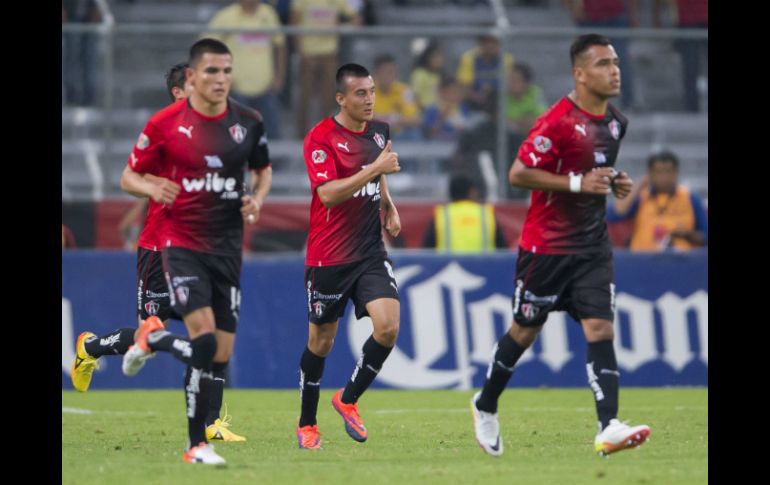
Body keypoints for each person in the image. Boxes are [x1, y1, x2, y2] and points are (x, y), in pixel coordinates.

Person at [470, 34, 650, 458]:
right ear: (580, 73)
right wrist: (577, 183)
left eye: (616, 62)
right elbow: (518, 173)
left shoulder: (615, 123)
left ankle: (609, 426)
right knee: (524, 331)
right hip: (546, 248)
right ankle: (485, 404)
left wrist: (612, 181)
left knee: (601, 328)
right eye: (604, 63)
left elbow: (593, 170)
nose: (614, 70)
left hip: (591, 247)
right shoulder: (556, 122)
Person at [70, 62, 247, 444]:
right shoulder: (163, 131)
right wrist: (155, 187)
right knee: (148, 337)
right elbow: (128, 178)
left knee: (212, 333)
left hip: (200, 249)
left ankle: (210, 421)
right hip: (159, 248)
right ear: (178, 92)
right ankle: (90, 347)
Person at [122, 38, 272, 464]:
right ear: (191, 77)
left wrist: (257, 198)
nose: (220, 79)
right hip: (180, 243)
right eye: (211, 71)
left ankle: (155, 336)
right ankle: (196, 446)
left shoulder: (250, 122)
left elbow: (263, 171)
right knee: (204, 341)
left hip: (227, 248)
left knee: (217, 357)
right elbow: (129, 175)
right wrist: (152, 185)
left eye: (226, 71)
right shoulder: (164, 123)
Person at [295, 63, 402, 450]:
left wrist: (387, 203)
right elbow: (328, 194)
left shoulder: (380, 131)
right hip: (328, 258)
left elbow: (379, 170)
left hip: (369, 251)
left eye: (372, 91)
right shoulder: (320, 138)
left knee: (388, 327)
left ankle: (348, 399)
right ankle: (307, 423)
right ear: (341, 98)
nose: (370, 99)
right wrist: (374, 168)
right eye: (361, 93)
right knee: (320, 343)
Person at [207, 0, 286, 139]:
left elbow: (280, 46)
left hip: (266, 89)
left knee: (273, 139)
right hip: (236, 91)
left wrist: (279, 77)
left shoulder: (268, 13)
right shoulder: (225, 16)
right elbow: (206, 48)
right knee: (237, 140)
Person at [607, 150, 708, 251]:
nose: (663, 177)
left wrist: (688, 235)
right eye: (658, 172)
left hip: (680, 262)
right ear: (650, 173)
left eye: (668, 171)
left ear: (676, 172)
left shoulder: (690, 198)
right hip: (642, 260)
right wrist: (639, 184)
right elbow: (616, 214)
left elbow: (705, 237)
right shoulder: (641, 197)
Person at [291, 0, 361, 137]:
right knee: (305, 95)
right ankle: (301, 135)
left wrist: (340, 26)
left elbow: (356, 18)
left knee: (327, 95)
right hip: (308, 52)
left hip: (329, 53)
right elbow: (294, 22)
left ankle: (324, 133)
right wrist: (301, 51)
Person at [423, 174, 507, 252]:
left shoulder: (442, 216)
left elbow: (426, 251)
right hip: (484, 266)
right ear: (471, 192)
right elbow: (503, 251)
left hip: (450, 266)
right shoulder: (486, 214)